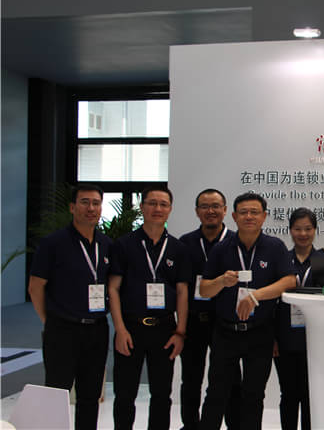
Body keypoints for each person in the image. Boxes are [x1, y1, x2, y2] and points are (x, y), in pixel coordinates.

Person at [198, 192, 296, 430]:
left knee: (254, 394)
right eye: (243, 212)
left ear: (264, 216)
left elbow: (289, 281)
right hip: (226, 333)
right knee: (217, 393)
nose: (249, 216)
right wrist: (221, 281)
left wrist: (256, 295)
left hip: (259, 333)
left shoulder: (275, 247)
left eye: (254, 212)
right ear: (233, 216)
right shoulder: (221, 249)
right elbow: (204, 290)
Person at [28, 184, 112, 430]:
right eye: (85, 202)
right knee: (57, 393)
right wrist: (49, 320)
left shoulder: (107, 244)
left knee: (90, 394)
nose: (91, 208)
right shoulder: (53, 243)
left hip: (97, 329)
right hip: (62, 329)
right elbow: (35, 287)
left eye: (96, 203)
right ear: (72, 207)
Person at [108, 185, 190, 430]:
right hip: (131, 328)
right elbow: (113, 288)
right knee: (125, 394)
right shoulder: (124, 245)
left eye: (163, 204)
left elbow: (182, 292)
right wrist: (120, 330)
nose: (158, 208)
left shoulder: (178, 248)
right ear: (142, 207)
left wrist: (180, 332)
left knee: (162, 395)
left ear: (170, 209)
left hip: (164, 329)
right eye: (152, 203)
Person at [179, 189, 240, 430]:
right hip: (195, 320)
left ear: (225, 210)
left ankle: (234, 424)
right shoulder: (185, 243)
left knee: (230, 378)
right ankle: (191, 425)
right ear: (197, 211)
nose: (210, 211)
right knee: (191, 378)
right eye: (204, 206)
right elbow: (181, 286)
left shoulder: (236, 242)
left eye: (215, 206)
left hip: (224, 321)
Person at [273, 208, 316, 430]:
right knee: (288, 394)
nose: (303, 234)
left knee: (310, 395)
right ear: (290, 230)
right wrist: (273, 338)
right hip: (285, 339)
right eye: (298, 229)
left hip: (315, 341)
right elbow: (271, 303)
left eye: (308, 229)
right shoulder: (281, 260)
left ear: (315, 230)